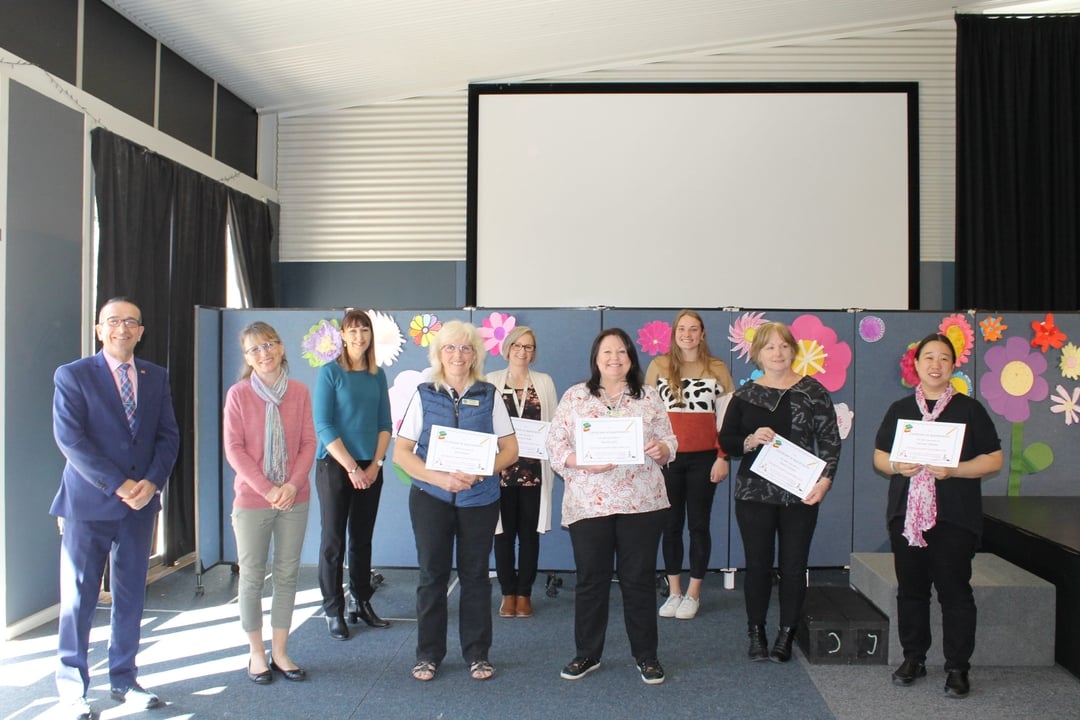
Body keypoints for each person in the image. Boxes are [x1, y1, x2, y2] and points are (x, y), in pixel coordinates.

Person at [50, 297, 179, 719]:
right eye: (113, 322)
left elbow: (168, 437)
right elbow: (72, 441)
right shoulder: (73, 376)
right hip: (89, 505)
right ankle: (72, 690)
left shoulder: (156, 377)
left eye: (131, 322)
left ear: (141, 331)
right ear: (98, 329)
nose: (122, 329)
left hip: (140, 506)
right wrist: (120, 484)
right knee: (78, 599)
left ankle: (124, 679)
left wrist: (151, 483)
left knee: (130, 597)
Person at [873, 333, 1002, 698]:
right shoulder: (900, 409)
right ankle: (914, 657)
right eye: (928, 357)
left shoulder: (969, 409)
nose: (935, 364)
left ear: (952, 366)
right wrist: (899, 464)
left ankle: (958, 667)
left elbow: (994, 459)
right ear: (915, 364)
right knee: (911, 590)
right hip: (907, 517)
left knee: (954, 592)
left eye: (944, 358)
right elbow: (880, 457)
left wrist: (955, 470)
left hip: (954, 517)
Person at [546, 328, 677, 685]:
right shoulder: (576, 396)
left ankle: (646, 656)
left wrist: (664, 450)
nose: (614, 358)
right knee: (591, 581)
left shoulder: (648, 397)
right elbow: (555, 444)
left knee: (639, 581)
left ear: (631, 358)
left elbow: (669, 439)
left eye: (622, 352)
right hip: (590, 503)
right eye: (607, 352)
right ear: (596, 358)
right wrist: (579, 461)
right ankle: (587, 654)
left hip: (642, 502)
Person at [393, 321, 519, 682]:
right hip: (431, 497)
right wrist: (439, 477)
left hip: (480, 498)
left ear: (475, 354)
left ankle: (477, 654)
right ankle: (428, 655)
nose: (458, 354)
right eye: (450, 348)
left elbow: (510, 449)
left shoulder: (489, 393)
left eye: (465, 348)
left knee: (476, 576)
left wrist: (482, 471)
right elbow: (402, 453)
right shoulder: (424, 393)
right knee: (432, 575)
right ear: (438, 354)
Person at [718, 321, 840, 663]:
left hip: (800, 495)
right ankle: (756, 631)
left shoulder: (813, 391)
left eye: (784, 346)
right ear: (757, 354)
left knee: (793, 564)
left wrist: (825, 480)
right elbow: (727, 442)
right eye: (770, 347)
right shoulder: (744, 395)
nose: (778, 353)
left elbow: (830, 440)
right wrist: (750, 439)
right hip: (753, 494)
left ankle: (787, 632)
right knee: (757, 565)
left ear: (793, 351)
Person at [224, 321, 316, 685]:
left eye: (269, 345)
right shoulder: (239, 394)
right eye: (254, 349)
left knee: (287, 574)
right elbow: (234, 449)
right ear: (247, 357)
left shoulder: (299, 391)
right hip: (252, 499)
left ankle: (280, 651)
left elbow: (309, 442)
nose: (264, 354)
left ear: (281, 348)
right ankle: (256, 654)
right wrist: (267, 489)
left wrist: (292, 485)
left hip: (295, 498)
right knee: (251, 576)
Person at [645, 310, 734, 620]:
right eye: (682, 328)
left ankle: (693, 594)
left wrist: (723, 457)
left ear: (702, 333)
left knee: (698, 525)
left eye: (693, 329)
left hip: (704, 459)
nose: (687, 334)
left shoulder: (718, 368)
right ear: (674, 332)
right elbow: (647, 415)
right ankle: (674, 592)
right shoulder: (659, 366)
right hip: (667, 459)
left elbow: (727, 419)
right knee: (670, 526)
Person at [313, 309, 393, 640]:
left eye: (364, 330)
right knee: (333, 541)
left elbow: (384, 425)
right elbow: (324, 425)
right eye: (353, 330)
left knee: (361, 539)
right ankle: (334, 609)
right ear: (342, 336)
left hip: (370, 467)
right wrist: (352, 468)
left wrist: (374, 465)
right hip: (335, 466)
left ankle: (361, 601)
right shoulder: (330, 372)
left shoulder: (377, 375)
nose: (359, 336)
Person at [485, 326, 559, 619]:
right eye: (517, 346)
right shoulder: (491, 381)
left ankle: (525, 593)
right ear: (507, 348)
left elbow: (553, 424)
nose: (523, 351)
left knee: (529, 535)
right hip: (500, 471)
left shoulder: (544, 382)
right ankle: (507, 593)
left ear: (534, 352)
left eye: (528, 347)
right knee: (502, 534)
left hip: (533, 471)